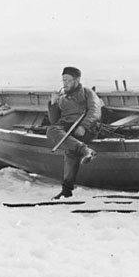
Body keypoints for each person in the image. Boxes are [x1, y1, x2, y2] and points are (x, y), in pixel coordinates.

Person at [47, 66, 100, 199]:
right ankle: (85, 150)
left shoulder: (87, 92)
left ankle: (66, 190)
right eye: (63, 80)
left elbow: (95, 111)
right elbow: (54, 120)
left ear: (77, 80)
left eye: (68, 80)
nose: (65, 83)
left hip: (84, 126)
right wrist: (53, 104)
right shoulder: (62, 96)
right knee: (51, 130)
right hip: (66, 126)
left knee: (70, 149)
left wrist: (84, 126)